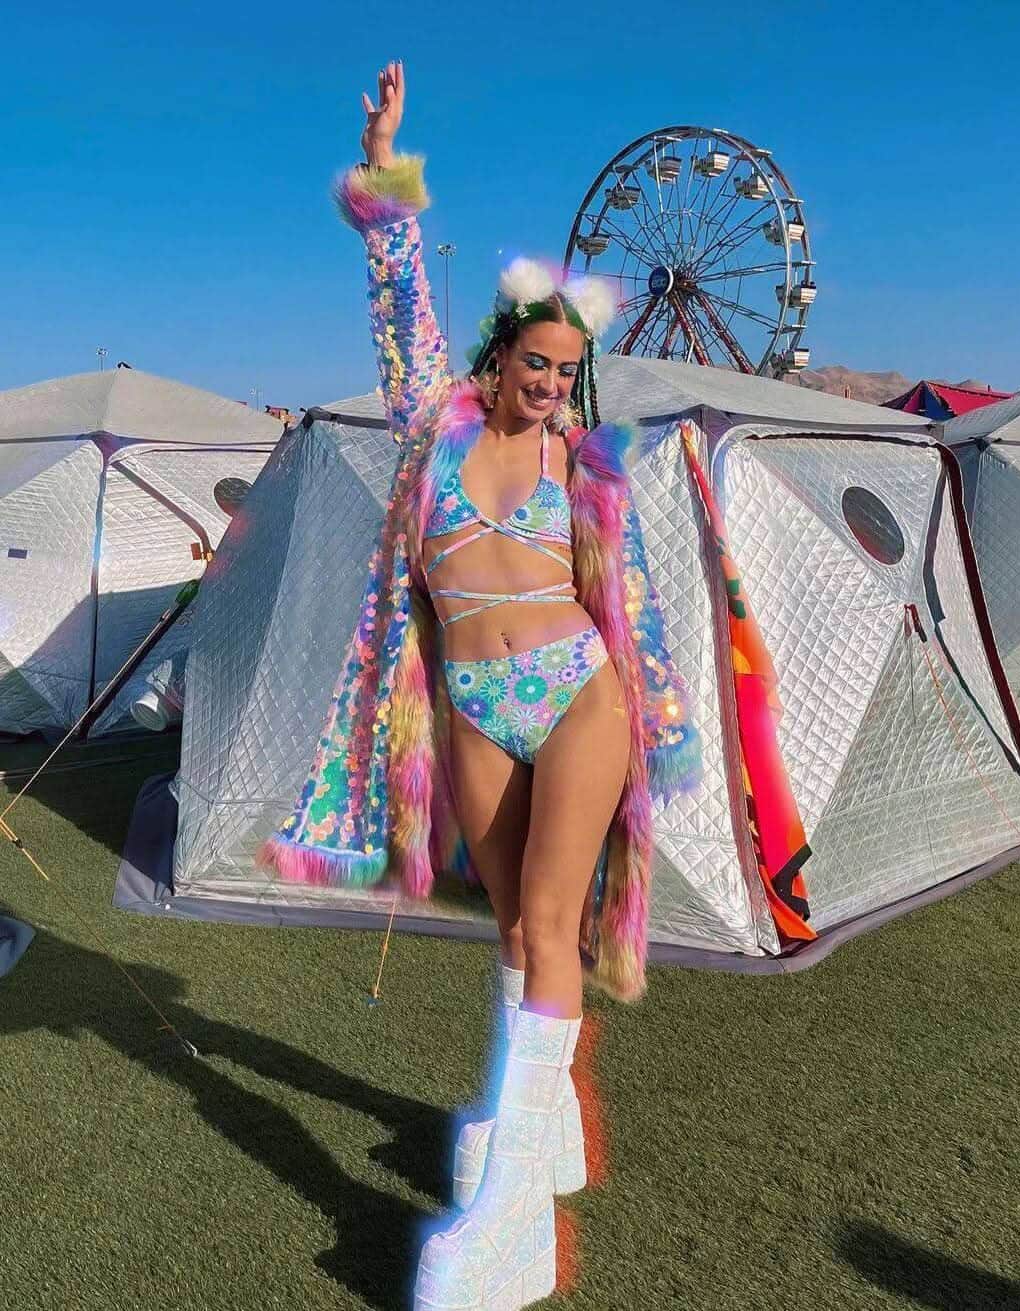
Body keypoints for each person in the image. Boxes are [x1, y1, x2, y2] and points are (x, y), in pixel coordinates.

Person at [256, 60, 701, 1311]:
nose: (552, 384)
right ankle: (535, 1132)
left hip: (575, 694)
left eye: (569, 370)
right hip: (469, 703)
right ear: (498, 356)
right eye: (537, 363)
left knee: (551, 926)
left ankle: (503, 1222)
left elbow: (634, 609)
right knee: (508, 930)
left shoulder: (585, 468)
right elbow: (398, 302)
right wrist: (388, 167)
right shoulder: (433, 429)